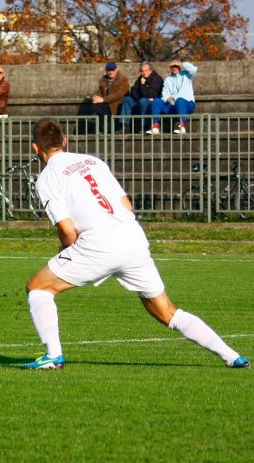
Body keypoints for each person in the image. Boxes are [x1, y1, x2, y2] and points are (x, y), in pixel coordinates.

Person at [22, 118, 249, 370]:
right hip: (132, 236)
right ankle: (232, 356)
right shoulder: (93, 161)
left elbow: (66, 228)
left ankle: (54, 355)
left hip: (98, 243)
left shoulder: (47, 178)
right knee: (166, 311)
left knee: (38, 287)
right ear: (64, 141)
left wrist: (69, 252)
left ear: (35, 148)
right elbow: (126, 204)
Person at [147, 60, 197, 135]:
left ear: (180, 66)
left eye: (176, 66)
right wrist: (167, 98)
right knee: (156, 101)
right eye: (172, 66)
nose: (174, 68)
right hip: (173, 106)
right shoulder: (168, 79)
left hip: (187, 104)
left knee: (180, 100)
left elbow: (194, 69)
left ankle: (182, 127)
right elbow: (165, 93)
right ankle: (155, 127)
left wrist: (182, 64)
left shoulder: (187, 75)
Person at [119, 62, 163, 132]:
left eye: (146, 70)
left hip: (152, 102)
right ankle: (125, 125)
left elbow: (150, 94)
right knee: (127, 99)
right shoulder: (140, 78)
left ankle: (145, 125)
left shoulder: (156, 79)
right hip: (139, 100)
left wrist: (142, 85)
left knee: (143, 101)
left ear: (150, 70)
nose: (144, 73)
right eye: (142, 71)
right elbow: (133, 91)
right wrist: (139, 97)